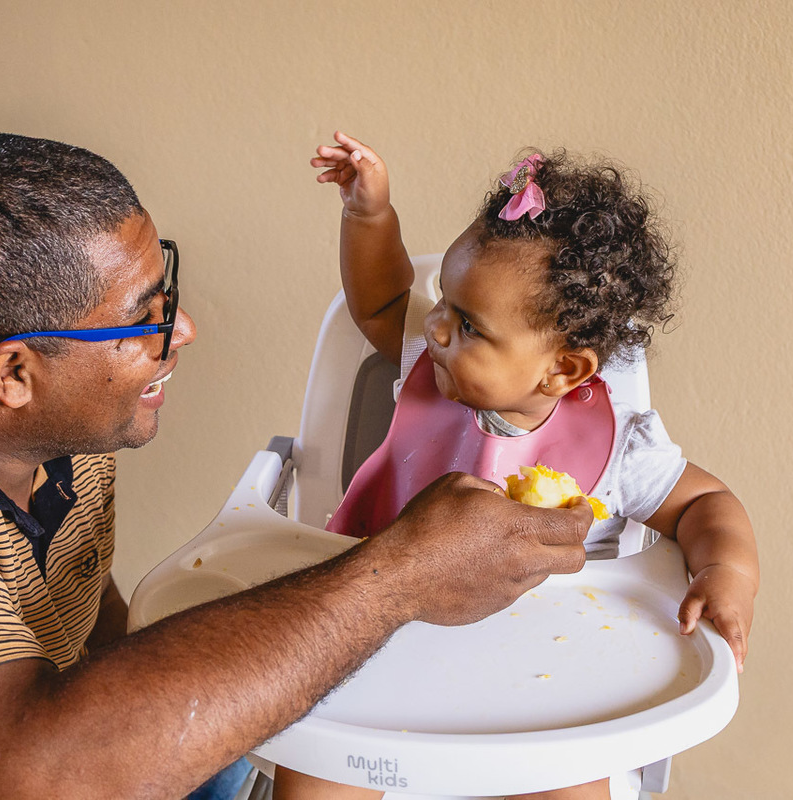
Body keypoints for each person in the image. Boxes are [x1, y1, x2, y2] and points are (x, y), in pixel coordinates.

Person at [0, 133, 595, 799]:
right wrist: (400, 573)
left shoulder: (43, 429)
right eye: (145, 316)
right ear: (15, 372)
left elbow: (76, 615)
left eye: (166, 288)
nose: (180, 331)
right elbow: (35, 778)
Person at [270, 132, 760, 800]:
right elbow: (380, 302)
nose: (437, 326)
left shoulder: (618, 447)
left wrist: (726, 572)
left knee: (566, 783)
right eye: (443, 299)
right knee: (318, 771)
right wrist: (368, 213)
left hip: (545, 677)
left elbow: (706, 505)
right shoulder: (425, 358)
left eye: (469, 325)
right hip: (383, 642)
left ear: (564, 370)